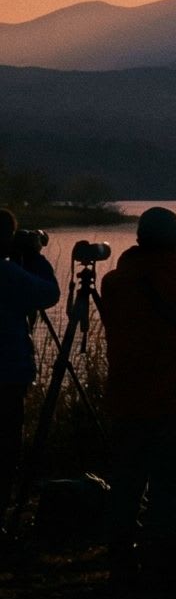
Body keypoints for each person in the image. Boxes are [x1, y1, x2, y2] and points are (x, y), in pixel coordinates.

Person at [99, 206, 176, 570]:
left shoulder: (114, 282)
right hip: (174, 398)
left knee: (126, 480)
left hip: (126, 396)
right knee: (169, 483)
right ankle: (159, 555)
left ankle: (120, 554)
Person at [1, 207, 63, 510]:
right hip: (7, 373)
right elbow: (49, 294)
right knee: (6, 444)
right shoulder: (7, 273)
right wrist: (35, 257)